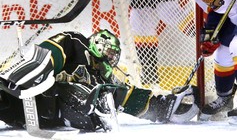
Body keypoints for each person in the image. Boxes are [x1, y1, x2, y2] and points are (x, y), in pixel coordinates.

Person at [0, 29, 200, 131]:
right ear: (99, 44)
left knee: (108, 92)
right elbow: (48, 54)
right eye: (111, 52)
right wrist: (23, 79)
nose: (112, 58)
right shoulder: (77, 43)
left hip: (52, 116)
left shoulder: (102, 77)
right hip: (26, 98)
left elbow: (125, 93)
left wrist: (158, 106)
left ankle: (161, 105)